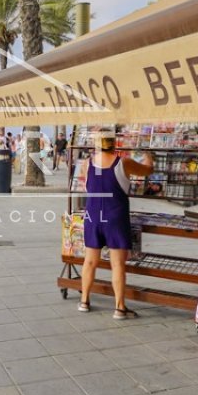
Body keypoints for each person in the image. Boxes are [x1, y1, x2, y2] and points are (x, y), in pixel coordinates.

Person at [77, 129, 155, 319]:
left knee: (90, 261)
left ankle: (84, 301)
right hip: (115, 217)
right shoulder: (123, 163)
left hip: (93, 216)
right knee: (118, 264)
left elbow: (86, 185)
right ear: (114, 143)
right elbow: (148, 170)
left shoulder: (87, 164)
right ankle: (120, 307)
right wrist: (148, 156)